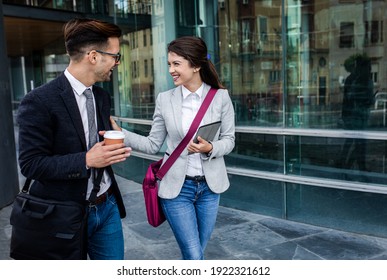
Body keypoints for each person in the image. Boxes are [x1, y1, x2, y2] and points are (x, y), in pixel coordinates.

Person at [111, 36, 235, 259]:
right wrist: (122, 134)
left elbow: (229, 140)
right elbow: (152, 144)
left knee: (197, 253)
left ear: (196, 65)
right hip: (177, 188)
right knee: (194, 255)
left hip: (210, 188)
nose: (171, 70)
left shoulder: (221, 97)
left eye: (176, 64)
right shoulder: (165, 99)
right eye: (169, 64)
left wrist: (211, 147)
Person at [17, 18, 131, 260]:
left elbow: (96, 143)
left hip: (107, 205)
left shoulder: (101, 96)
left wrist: (111, 151)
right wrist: (87, 160)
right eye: (115, 56)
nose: (116, 63)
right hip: (63, 215)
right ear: (93, 56)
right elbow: (31, 164)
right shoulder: (39, 101)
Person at [339, 55, 374, 170]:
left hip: (355, 116)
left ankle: (346, 165)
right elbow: (350, 98)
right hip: (356, 117)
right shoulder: (358, 80)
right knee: (359, 144)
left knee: (353, 143)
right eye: (368, 67)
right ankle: (352, 166)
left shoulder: (355, 79)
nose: (370, 70)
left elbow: (348, 99)